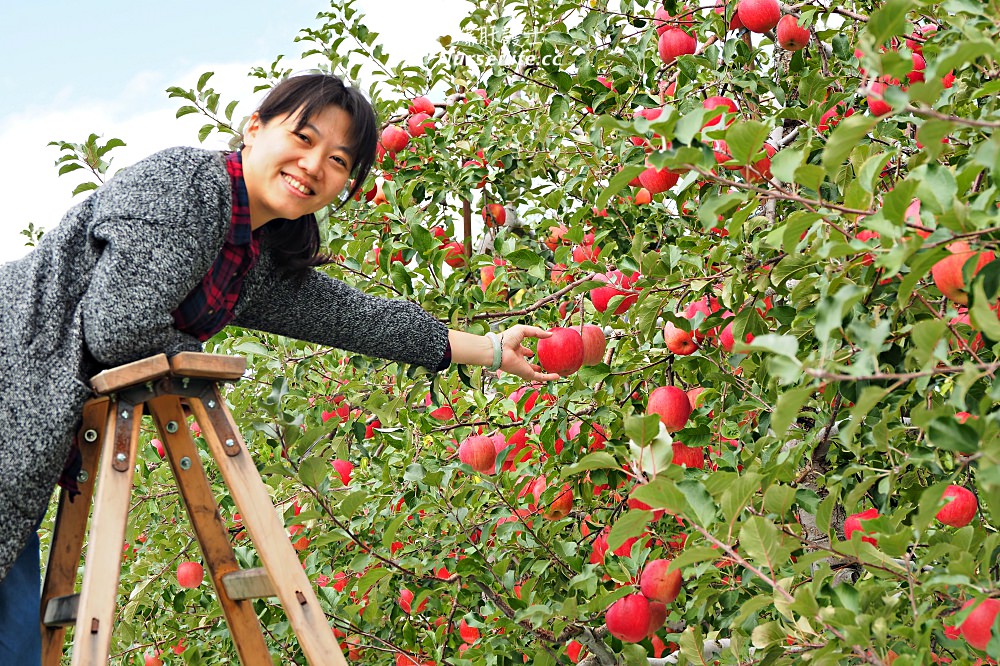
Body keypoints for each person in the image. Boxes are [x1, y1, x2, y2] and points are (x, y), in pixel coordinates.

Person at [0, 72, 558, 662]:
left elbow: (353, 317)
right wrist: (194, 362)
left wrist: (493, 349)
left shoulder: (249, 256)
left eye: (339, 160)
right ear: (254, 128)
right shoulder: (187, 185)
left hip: (30, 439)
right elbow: (118, 328)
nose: (314, 164)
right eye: (303, 136)